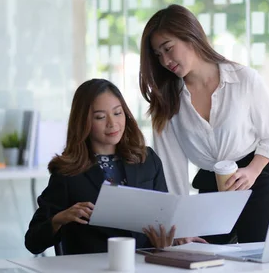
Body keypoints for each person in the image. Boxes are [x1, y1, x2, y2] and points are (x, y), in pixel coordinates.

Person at [139, 4, 269, 244]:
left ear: (190, 36)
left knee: (264, 262)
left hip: (259, 180)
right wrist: (180, 225)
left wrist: (252, 171)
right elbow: (172, 170)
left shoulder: (243, 79)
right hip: (211, 190)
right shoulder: (167, 102)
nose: (165, 60)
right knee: (205, 262)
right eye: (158, 55)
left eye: (168, 48)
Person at [25, 79, 194, 255]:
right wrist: (59, 220)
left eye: (117, 113)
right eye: (100, 117)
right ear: (83, 122)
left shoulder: (147, 159)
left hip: (143, 265)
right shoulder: (68, 172)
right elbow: (32, 242)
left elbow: (162, 217)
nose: (112, 124)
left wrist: (170, 239)